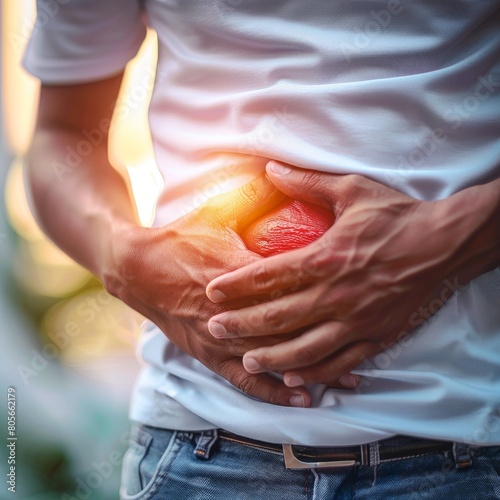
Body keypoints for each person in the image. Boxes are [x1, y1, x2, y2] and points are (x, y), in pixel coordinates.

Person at [23, 0, 500, 498]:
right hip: (198, 452)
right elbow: (61, 137)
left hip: (465, 453)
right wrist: (126, 259)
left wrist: (453, 238)